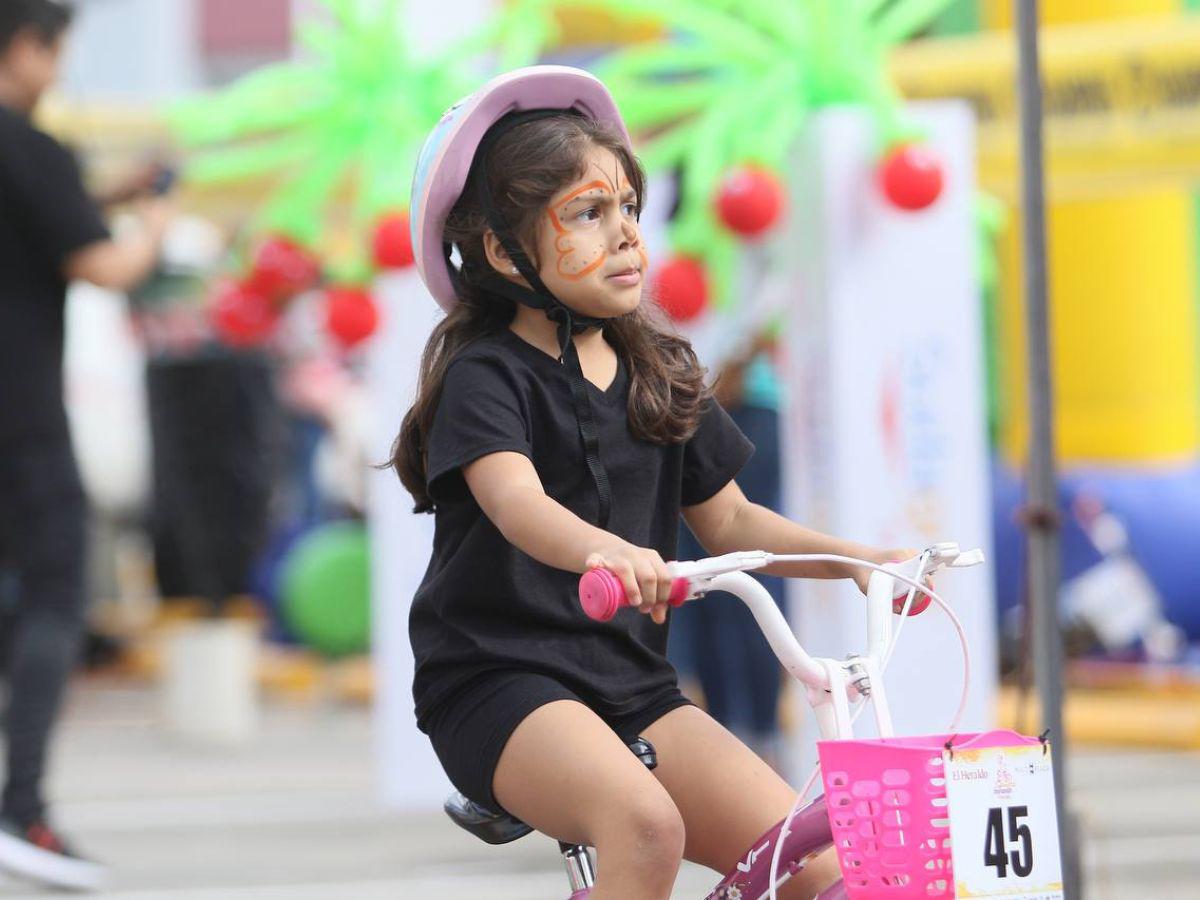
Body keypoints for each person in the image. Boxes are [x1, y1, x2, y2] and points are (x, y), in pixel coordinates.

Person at [393, 65, 916, 900]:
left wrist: (862, 561)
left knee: (818, 867)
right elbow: (516, 503)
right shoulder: (486, 378)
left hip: (629, 685)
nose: (626, 235)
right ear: (502, 249)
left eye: (629, 208)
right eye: (588, 214)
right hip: (498, 678)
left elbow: (735, 522)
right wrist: (611, 552)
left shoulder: (659, 369)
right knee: (646, 826)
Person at [0, 0, 172, 890]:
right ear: (27, 45)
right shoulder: (30, 144)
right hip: (22, 415)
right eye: (57, 50)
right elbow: (103, 267)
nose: (59, 69)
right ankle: (20, 807)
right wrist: (149, 225)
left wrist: (104, 198)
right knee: (56, 594)